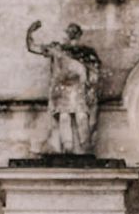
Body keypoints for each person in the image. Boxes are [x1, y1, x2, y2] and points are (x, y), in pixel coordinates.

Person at [26, 20, 101, 155]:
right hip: (62, 88)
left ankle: (84, 147)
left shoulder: (86, 52)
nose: (72, 34)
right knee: (65, 116)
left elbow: (94, 72)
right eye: (70, 32)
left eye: (74, 32)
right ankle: (68, 146)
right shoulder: (58, 49)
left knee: (81, 116)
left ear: (78, 35)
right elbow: (32, 47)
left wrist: (91, 88)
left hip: (79, 87)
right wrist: (30, 32)